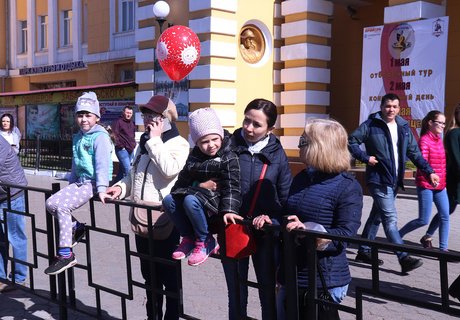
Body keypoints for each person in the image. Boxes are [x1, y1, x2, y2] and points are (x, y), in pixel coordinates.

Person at [106, 95, 189, 320]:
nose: (148, 119)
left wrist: (154, 140)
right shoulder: (144, 143)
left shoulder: (179, 144)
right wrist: (120, 189)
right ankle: (152, 316)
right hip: (141, 218)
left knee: (169, 277)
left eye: (153, 115)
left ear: (166, 119)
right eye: (146, 115)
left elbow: (170, 170)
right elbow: (134, 176)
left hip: (165, 220)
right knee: (149, 276)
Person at [212, 98, 292, 320]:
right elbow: (203, 171)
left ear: (270, 129)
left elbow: (286, 199)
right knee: (236, 292)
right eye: (246, 120)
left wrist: (273, 219)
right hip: (232, 228)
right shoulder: (228, 145)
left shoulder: (277, 155)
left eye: (256, 125)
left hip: (265, 234)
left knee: (267, 291)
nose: (248, 128)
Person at [276, 118, 363, 319]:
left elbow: (346, 234)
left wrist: (309, 232)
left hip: (324, 278)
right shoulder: (303, 177)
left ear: (320, 147)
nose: (298, 146)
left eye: (303, 142)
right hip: (293, 272)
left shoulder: (347, 186)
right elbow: (288, 212)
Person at [349, 93, 439, 273]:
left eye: (394, 106)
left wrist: (429, 171)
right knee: (390, 219)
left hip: (394, 180)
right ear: (382, 107)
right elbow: (352, 141)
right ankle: (403, 257)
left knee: (377, 216)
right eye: (388, 106)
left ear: (399, 108)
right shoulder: (371, 125)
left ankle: (364, 250)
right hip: (378, 179)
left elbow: (415, 153)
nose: (391, 110)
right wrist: (365, 158)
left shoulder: (403, 127)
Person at [44, 91, 113, 275]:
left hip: (92, 183)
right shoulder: (78, 137)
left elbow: (102, 165)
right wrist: (71, 184)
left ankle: (66, 255)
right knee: (51, 203)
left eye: (88, 115)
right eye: (80, 115)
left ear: (97, 117)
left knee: (63, 208)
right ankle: (77, 227)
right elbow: (75, 163)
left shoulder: (100, 137)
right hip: (79, 182)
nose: (83, 119)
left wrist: (102, 189)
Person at [162, 107, 241, 267]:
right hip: (198, 197)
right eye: (204, 142)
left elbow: (232, 185)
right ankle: (189, 237)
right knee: (169, 200)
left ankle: (205, 240)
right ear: (196, 142)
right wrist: (173, 199)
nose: (211, 145)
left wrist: (229, 210)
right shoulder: (195, 155)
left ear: (220, 136)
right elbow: (183, 178)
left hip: (215, 204)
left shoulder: (228, 155)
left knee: (190, 200)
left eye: (214, 139)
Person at [399, 111, 449, 251]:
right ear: (430, 123)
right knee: (423, 220)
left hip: (440, 185)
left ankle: (443, 250)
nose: (443, 126)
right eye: (440, 122)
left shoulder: (439, 140)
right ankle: (397, 236)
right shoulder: (424, 140)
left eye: (444, 123)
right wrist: (430, 177)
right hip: (426, 185)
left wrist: (443, 182)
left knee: (445, 216)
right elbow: (422, 163)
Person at [422, 104, 460, 248]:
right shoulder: (454, 133)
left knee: (447, 211)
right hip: (454, 179)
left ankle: (428, 237)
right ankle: (435, 243)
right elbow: (456, 160)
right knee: (446, 211)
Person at [0, 135, 28, 292]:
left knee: (16, 236)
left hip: (12, 194)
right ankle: (1, 277)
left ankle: (19, 278)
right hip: (1, 193)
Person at [112, 105, 136, 184]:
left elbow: (132, 135)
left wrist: (134, 144)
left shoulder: (132, 123)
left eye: (130, 113)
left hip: (130, 149)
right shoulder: (118, 122)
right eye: (127, 112)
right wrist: (121, 146)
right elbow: (114, 135)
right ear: (123, 112)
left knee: (122, 171)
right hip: (122, 150)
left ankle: (115, 185)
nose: (129, 114)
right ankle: (129, 189)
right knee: (128, 170)